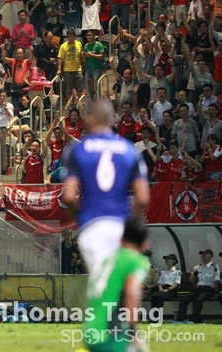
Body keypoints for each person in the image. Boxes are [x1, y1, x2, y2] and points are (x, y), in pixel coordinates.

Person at [62, 99, 151, 273]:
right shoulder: (129, 149)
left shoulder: (77, 150)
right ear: (112, 120)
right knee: (117, 277)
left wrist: (81, 220)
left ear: (89, 119)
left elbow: (69, 197)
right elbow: (142, 198)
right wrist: (130, 225)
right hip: (119, 224)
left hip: (92, 223)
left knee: (100, 277)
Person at [83, 218, 150, 352]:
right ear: (145, 245)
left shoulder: (107, 260)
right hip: (109, 333)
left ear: (121, 239)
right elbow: (132, 292)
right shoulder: (135, 260)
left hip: (90, 330)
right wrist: (133, 330)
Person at [174, 249, 220, 324]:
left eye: (205, 254)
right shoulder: (200, 266)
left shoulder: (214, 266)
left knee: (198, 300)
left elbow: (216, 280)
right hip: (200, 288)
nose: (203, 256)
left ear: (210, 256)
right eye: (202, 254)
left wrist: (216, 293)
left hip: (209, 289)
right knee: (184, 300)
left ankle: (195, 319)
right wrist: (192, 273)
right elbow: (194, 269)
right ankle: (179, 320)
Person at [150, 253, 181, 322]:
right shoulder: (163, 271)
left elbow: (176, 284)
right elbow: (160, 282)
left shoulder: (177, 272)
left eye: (168, 259)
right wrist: (160, 288)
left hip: (171, 290)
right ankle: (153, 317)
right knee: (154, 296)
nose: (166, 261)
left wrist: (167, 290)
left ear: (173, 261)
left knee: (160, 297)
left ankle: (158, 318)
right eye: (166, 259)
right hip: (163, 288)